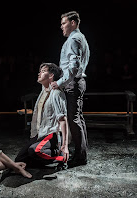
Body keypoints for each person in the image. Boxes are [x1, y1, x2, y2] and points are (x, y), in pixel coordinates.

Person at [50, 11, 90, 167]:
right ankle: (81, 153)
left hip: (73, 83)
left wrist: (59, 82)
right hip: (77, 82)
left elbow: (73, 68)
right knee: (78, 118)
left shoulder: (74, 39)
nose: (61, 27)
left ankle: (80, 157)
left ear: (73, 23)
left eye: (64, 23)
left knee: (74, 120)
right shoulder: (81, 38)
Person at [15, 63, 69, 169]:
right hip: (40, 133)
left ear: (51, 76)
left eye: (43, 71)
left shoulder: (56, 93)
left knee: (35, 151)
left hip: (52, 134)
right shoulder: (43, 92)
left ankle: (60, 155)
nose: (39, 73)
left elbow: (63, 120)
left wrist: (65, 146)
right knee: (20, 159)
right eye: (40, 71)